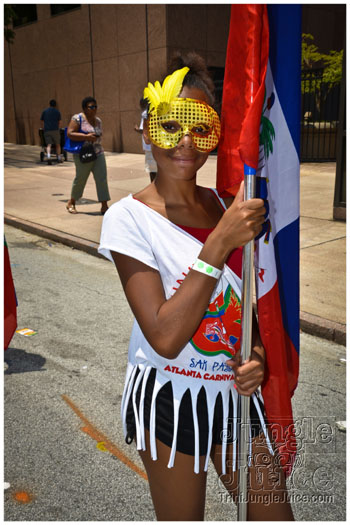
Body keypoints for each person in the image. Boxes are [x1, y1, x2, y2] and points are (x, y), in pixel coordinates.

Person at [99, 52, 294, 521]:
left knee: (275, 514)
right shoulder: (127, 218)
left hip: (233, 396)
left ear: (215, 132)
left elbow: (246, 299)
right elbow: (164, 336)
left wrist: (259, 356)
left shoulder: (228, 202)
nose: (186, 141)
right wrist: (220, 241)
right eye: (171, 125)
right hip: (171, 397)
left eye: (199, 125)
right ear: (148, 129)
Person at [65, 96, 110, 215]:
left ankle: (104, 205)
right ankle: (72, 202)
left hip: (98, 153)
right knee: (81, 178)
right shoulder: (77, 118)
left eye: (95, 107)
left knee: (102, 178)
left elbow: (99, 134)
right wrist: (86, 137)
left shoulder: (98, 121)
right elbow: (70, 133)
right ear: (85, 108)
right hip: (83, 153)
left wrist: (95, 137)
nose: (94, 109)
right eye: (91, 107)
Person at [134, 98, 157, 182]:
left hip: (149, 147)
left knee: (152, 170)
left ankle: (153, 186)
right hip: (157, 146)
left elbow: (144, 130)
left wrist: (137, 129)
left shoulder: (145, 113)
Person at [40, 99, 63, 165]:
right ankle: (59, 158)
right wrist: (59, 128)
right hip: (55, 130)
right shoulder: (57, 112)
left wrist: (43, 128)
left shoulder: (45, 111)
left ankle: (49, 157)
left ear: (49, 104)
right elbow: (60, 122)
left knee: (49, 145)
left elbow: (42, 121)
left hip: (47, 130)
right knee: (58, 145)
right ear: (55, 105)